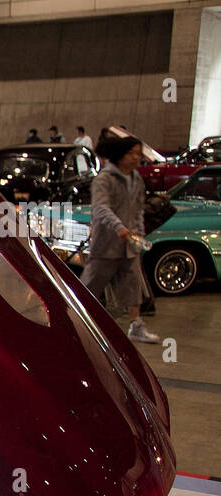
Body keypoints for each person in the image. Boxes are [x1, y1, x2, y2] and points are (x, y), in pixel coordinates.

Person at [82, 135, 159, 343]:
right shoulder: (104, 179)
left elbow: (138, 211)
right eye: (131, 153)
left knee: (133, 286)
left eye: (138, 153)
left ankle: (136, 325)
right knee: (90, 286)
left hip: (130, 244)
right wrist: (119, 227)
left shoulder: (136, 180)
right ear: (120, 156)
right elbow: (100, 208)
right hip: (106, 244)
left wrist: (139, 234)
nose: (136, 158)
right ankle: (77, 322)